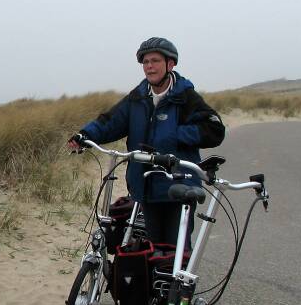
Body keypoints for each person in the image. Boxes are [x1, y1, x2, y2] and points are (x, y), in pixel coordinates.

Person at [68, 37, 225, 249]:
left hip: (178, 189)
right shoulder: (137, 97)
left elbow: (214, 130)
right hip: (146, 188)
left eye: (155, 61)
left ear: (170, 64)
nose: (149, 66)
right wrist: (85, 135)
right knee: (150, 253)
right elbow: (110, 122)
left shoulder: (185, 97)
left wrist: (173, 135)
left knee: (176, 254)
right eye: (145, 62)